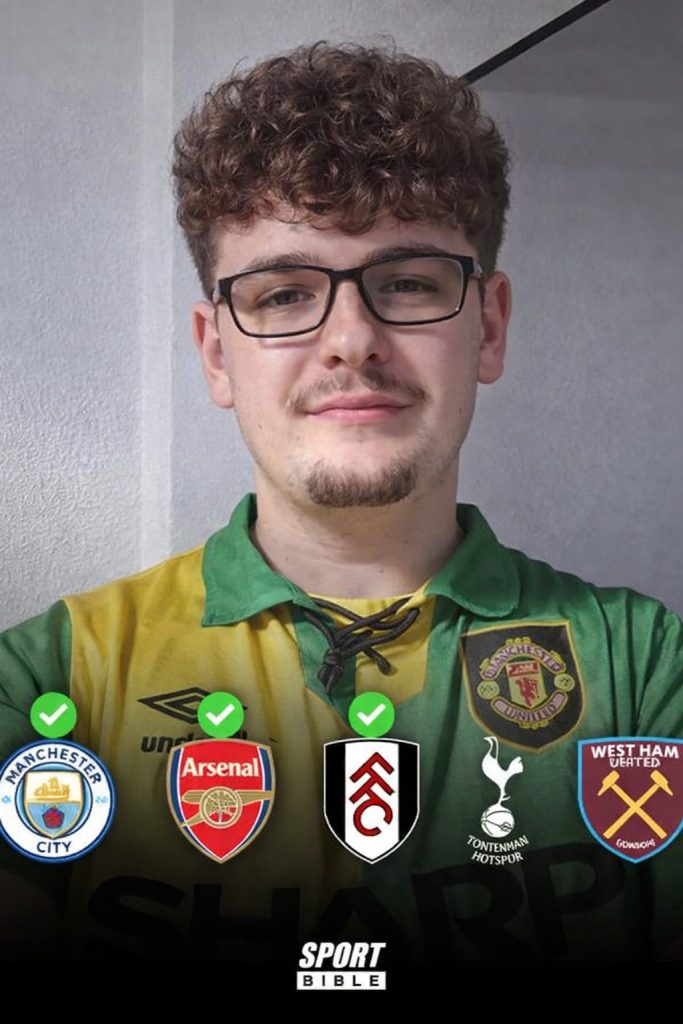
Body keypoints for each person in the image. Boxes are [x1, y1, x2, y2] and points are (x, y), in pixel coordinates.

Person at [1, 40, 682, 967]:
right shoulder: (47, 682)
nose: (351, 340)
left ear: (487, 326)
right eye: (284, 294)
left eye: (406, 282)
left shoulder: (645, 670)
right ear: (216, 353)